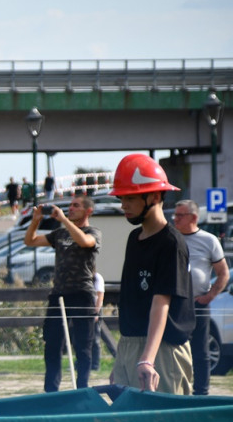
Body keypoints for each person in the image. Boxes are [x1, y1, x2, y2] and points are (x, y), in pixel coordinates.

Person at [108, 154, 194, 394]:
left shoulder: (171, 243)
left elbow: (161, 304)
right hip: (132, 346)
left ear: (154, 196)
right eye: (121, 198)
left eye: (130, 198)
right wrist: (123, 358)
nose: (123, 204)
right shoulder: (134, 239)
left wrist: (146, 359)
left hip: (163, 350)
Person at [24, 195, 102, 391]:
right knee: (52, 343)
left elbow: (85, 242)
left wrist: (64, 220)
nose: (71, 208)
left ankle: (82, 388)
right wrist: (36, 220)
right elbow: (30, 241)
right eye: (70, 206)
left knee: (83, 344)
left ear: (88, 211)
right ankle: (51, 390)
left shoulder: (93, 232)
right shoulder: (60, 234)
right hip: (58, 294)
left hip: (82, 293)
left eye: (76, 206)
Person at [172, 199, 230, 395]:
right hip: (174, 303)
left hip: (198, 303)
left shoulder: (208, 240)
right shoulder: (171, 238)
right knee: (172, 349)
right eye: (175, 215)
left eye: (180, 215)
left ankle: (201, 392)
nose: (175, 219)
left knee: (200, 351)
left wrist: (211, 295)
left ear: (194, 217)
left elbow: (223, 273)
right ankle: (176, 390)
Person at [90, 271, 105, 371]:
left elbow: (100, 296)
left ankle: (95, 364)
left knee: (95, 338)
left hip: (95, 309)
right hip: (85, 309)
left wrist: (96, 312)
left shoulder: (97, 277)